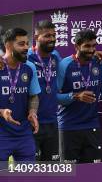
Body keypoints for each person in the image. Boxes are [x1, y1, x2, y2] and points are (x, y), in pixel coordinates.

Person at [55, 29, 102, 163]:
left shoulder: (100, 63)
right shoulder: (65, 65)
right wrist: (75, 96)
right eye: (87, 46)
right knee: (70, 174)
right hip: (68, 127)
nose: (91, 50)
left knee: (94, 173)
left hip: (92, 126)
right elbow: (53, 97)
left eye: (93, 46)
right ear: (76, 46)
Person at [0, 28, 41, 162]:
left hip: (23, 133)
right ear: (8, 45)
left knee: (27, 176)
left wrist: (33, 112)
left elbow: (33, 95)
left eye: (27, 43)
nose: (26, 48)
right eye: (21, 44)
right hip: (1, 134)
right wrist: (1, 111)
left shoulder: (29, 68)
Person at [27, 20, 62, 162]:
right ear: (36, 38)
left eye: (54, 35)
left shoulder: (55, 57)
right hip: (30, 123)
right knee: (31, 170)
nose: (52, 39)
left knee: (52, 170)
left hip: (52, 122)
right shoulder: (27, 57)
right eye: (47, 36)